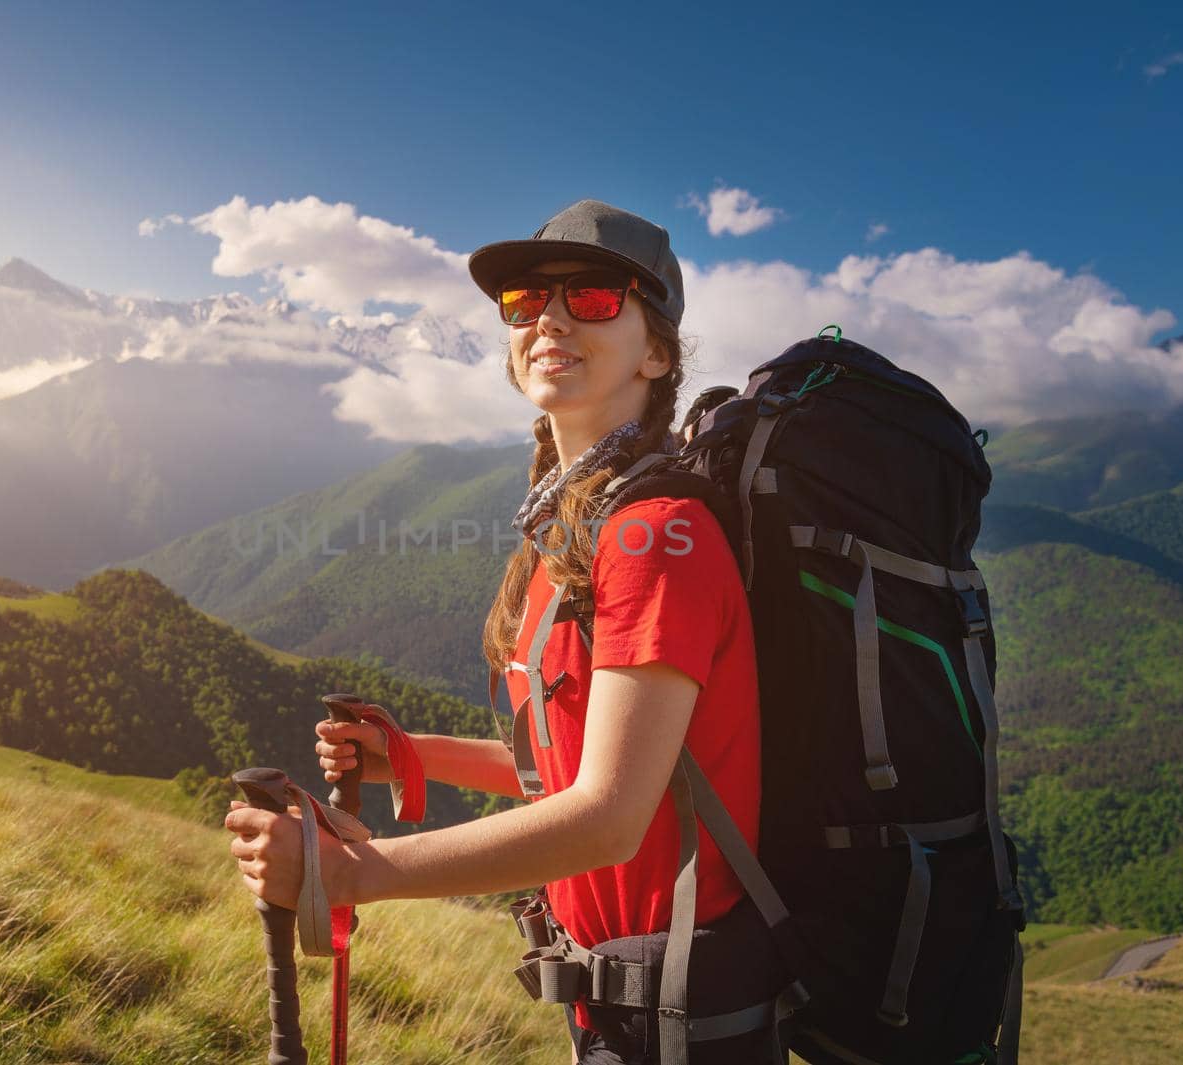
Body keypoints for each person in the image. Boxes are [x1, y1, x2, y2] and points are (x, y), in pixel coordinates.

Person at [227, 200, 786, 1064]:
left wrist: (353, 874)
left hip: (678, 1015)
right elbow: (565, 774)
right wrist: (410, 753)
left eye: (595, 297)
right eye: (526, 300)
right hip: (623, 1001)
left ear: (659, 349)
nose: (550, 318)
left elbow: (607, 818)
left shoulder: (653, 534)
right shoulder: (570, 533)